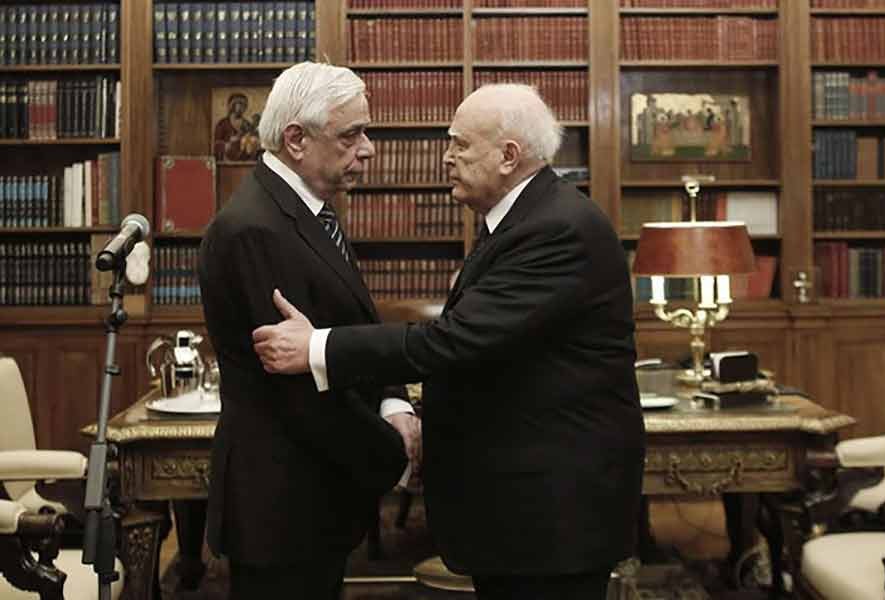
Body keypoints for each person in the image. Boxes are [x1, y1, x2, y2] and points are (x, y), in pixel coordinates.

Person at [251, 83, 647, 600]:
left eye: (459, 145)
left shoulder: (558, 228)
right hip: (526, 511)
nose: (445, 158)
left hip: (553, 513)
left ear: (508, 156)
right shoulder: (521, 219)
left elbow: (455, 341)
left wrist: (317, 349)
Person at [198, 62, 420, 600]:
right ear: (295, 139)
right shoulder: (255, 228)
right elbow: (294, 387)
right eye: (351, 135)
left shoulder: (308, 209)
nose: (367, 148)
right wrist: (391, 452)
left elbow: (349, 330)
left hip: (313, 496)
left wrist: (392, 401)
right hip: (281, 503)